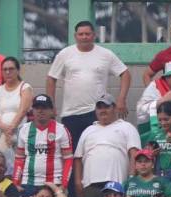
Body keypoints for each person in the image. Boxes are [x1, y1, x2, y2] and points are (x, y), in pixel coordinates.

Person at [46, 20, 130, 151]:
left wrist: (121, 99)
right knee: (73, 154)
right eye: (81, 34)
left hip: (96, 113)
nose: (84, 37)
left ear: (94, 35)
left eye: (87, 34)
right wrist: (51, 106)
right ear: (75, 36)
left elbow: (125, 73)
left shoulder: (106, 54)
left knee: (96, 151)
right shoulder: (65, 54)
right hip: (71, 114)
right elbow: (51, 78)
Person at [12, 94, 72, 197]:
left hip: (53, 183)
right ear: (33, 110)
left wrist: (64, 185)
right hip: (28, 183)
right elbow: (19, 159)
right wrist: (16, 183)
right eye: (37, 108)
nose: (40, 111)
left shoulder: (61, 129)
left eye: (44, 108)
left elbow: (68, 159)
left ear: (51, 110)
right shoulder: (24, 129)